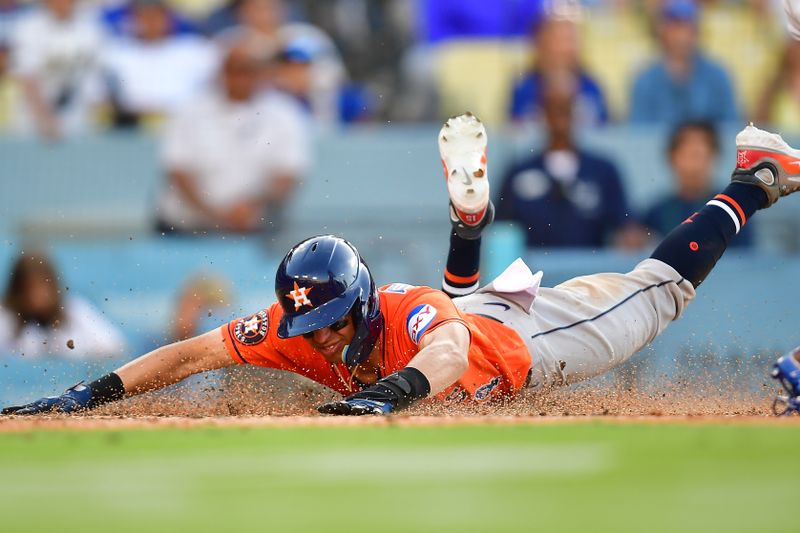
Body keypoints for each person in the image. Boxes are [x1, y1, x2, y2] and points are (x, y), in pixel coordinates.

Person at [3, 111, 800, 416]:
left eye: (327, 323)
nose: (315, 341)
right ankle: (470, 229)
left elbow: (447, 351)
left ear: (359, 300)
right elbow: (195, 351)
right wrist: (92, 389)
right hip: (466, 315)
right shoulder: (296, 323)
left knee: (658, 294)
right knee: (454, 307)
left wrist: (389, 396)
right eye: (305, 323)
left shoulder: (397, 307)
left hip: (526, 344)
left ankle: (753, 178)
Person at [154, 40, 310, 234]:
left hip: (252, 228)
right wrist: (215, 215)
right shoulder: (188, 110)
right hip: (187, 228)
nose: (241, 79)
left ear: (261, 74)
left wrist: (251, 207)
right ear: (221, 73)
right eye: (234, 71)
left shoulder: (285, 112)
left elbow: (288, 174)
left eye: (248, 71)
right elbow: (178, 171)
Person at [497, 72, 644, 249]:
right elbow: (500, 231)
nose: (560, 117)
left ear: (577, 111)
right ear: (541, 112)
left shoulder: (603, 171)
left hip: (590, 272)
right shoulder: (518, 172)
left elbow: (626, 226)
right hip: (533, 271)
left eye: (566, 108)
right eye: (553, 108)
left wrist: (629, 238)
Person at [101, 0, 218, 129]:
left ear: (169, 19)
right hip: (130, 128)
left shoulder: (196, 49)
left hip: (184, 125)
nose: (151, 22)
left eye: (156, 16)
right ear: (133, 20)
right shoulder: (115, 52)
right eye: (145, 16)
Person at [628, 0, 738, 126]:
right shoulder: (645, 81)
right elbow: (639, 134)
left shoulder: (718, 76)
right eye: (675, 27)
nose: (681, 36)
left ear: (697, 32)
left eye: (687, 27)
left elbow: (730, 128)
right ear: (661, 32)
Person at [643, 121, 753, 247]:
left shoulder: (734, 210)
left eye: (700, 150)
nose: (694, 154)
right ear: (671, 157)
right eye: (687, 149)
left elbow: (744, 260)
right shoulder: (654, 214)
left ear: (714, 156)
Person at [0, 251, 127, 359]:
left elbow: (114, 346)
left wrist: (71, 353)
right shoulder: (5, 316)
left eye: (43, 287)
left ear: (53, 286)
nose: (37, 296)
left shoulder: (73, 309)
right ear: (17, 291)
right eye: (30, 289)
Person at [9, 0, 104, 139]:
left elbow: (96, 75)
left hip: (77, 120)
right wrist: (45, 120)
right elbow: (28, 79)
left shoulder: (91, 29)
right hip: (32, 123)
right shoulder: (28, 27)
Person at [510, 12, 609, 127]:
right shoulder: (524, 89)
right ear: (541, 44)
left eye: (571, 40)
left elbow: (606, 133)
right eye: (559, 40)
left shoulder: (592, 88)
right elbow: (515, 135)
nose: (567, 48)